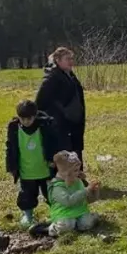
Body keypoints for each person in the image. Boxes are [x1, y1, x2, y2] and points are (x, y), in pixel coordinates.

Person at [6, 99, 60, 228]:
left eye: (29, 118)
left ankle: (57, 213)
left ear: (35, 115)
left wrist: (53, 159)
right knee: (26, 195)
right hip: (26, 170)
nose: (25, 122)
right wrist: (11, 166)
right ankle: (28, 215)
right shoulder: (14, 127)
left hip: (45, 169)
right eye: (22, 118)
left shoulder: (45, 125)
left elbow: (53, 142)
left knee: (52, 194)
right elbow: (10, 147)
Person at [35, 47, 88, 179]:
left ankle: (77, 179)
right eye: (67, 59)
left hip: (74, 123)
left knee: (75, 152)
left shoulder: (69, 75)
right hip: (60, 125)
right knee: (65, 154)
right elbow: (40, 102)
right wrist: (55, 117)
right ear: (57, 60)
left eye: (72, 58)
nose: (71, 61)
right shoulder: (52, 77)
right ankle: (63, 182)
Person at [47, 151, 100, 237]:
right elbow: (68, 201)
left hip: (80, 211)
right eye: (75, 170)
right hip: (63, 214)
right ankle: (52, 228)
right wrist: (86, 190)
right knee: (67, 225)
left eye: (79, 170)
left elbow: (87, 199)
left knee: (86, 224)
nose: (79, 173)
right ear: (66, 173)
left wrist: (94, 191)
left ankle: (88, 219)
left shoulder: (78, 181)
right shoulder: (57, 187)